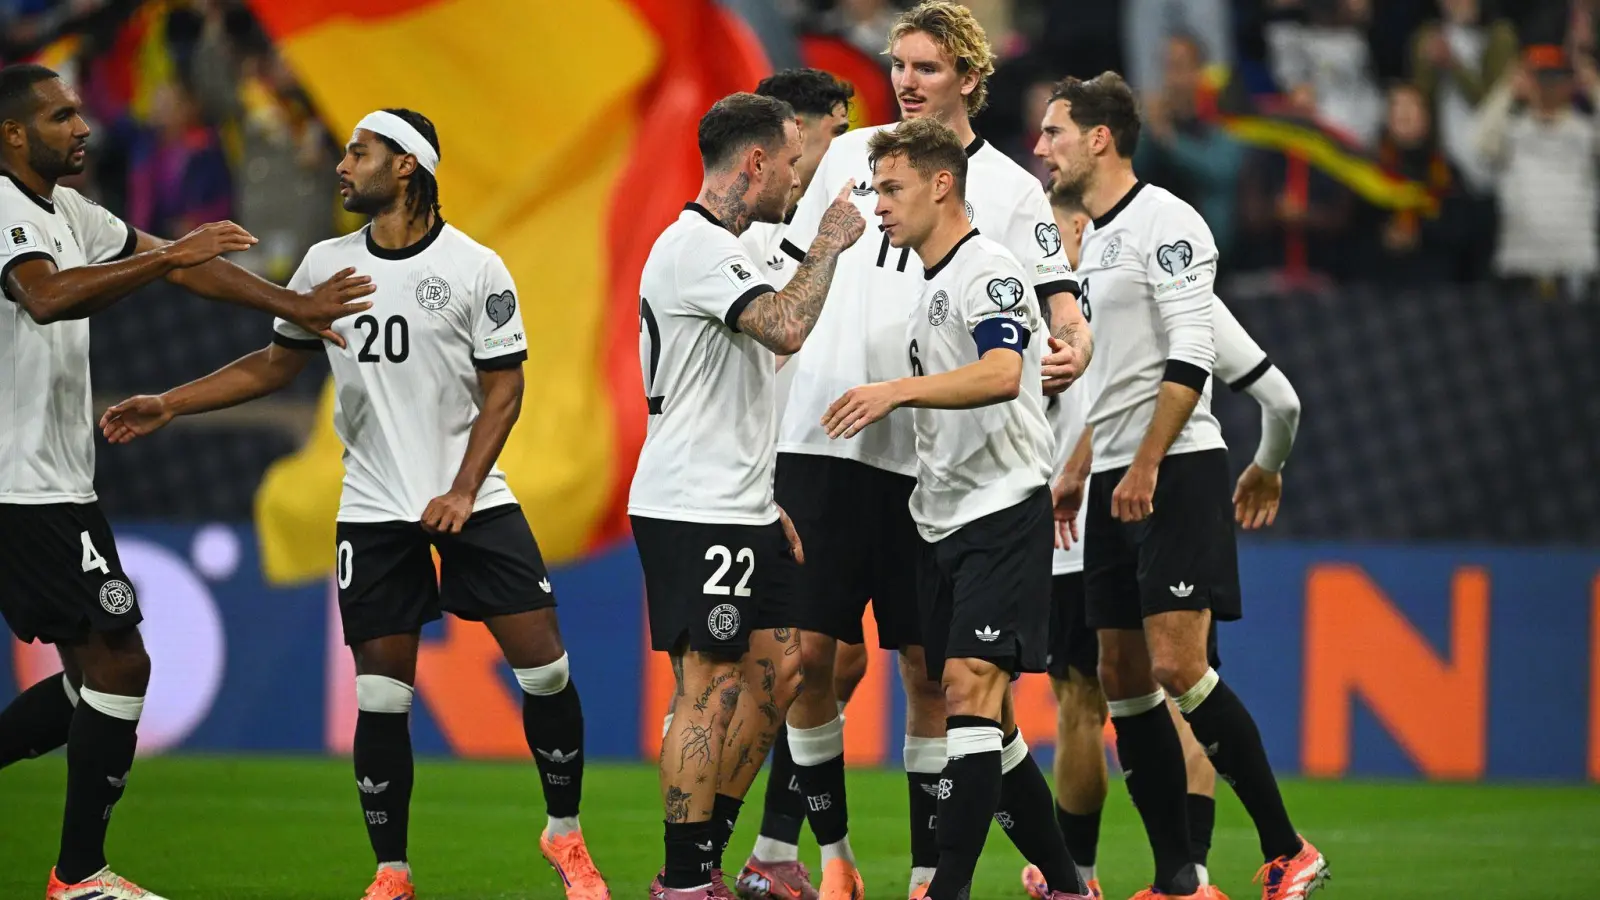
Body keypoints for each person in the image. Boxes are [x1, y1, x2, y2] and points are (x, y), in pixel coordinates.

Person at [99, 108, 608, 900]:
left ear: (406, 166)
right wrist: (171, 401)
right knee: (382, 697)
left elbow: (505, 388)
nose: (341, 165)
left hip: (472, 498)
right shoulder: (323, 266)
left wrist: (463, 488)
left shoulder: (476, 268)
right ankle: (392, 874)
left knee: (546, 672)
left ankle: (564, 834)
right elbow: (275, 366)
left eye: (358, 152)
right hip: (373, 508)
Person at [0, 62, 370, 900]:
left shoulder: (67, 211)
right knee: (122, 665)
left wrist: (293, 305)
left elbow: (183, 266)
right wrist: (170, 255)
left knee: (87, 680)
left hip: (58, 484)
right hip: (21, 489)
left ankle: (80, 875)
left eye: (81, 112)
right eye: (61, 116)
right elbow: (48, 298)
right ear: (14, 134)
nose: (82, 127)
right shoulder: (2, 209)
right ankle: (80, 876)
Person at [775, 5, 1090, 896]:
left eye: (927, 65)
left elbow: (1043, 319)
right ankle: (833, 860)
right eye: (899, 64)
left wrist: (1070, 339)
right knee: (823, 661)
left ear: (969, 77)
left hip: (942, 469)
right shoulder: (853, 156)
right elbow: (792, 262)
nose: (907, 79)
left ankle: (933, 876)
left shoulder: (1004, 209)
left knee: (945, 677)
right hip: (836, 443)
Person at [1035, 71, 1329, 900]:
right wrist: (1084, 464)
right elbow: (1132, 375)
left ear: (1099, 138)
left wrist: (1149, 463)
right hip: (1115, 480)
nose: (1041, 145)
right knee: (1121, 679)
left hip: (1175, 470)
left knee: (1176, 666)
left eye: (1054, 131)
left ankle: (1286, 847)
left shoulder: (1169, 223)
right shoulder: (1091, 244)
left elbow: (1192, 360)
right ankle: (1178, 880)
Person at [630, 92, 865, 900]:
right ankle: (687, 882)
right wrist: (831, 244)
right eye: (794, 161)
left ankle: (708, 857)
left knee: (779, 671)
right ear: (755, 162)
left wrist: (765, 499)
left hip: (738, 502)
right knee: (712, 687)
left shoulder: (734, 248)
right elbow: (787, 326)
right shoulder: (696, 246)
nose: (799, 178)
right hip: (693, 503)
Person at [727, 67, 854, 900]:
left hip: (857, 453)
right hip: (793, 456)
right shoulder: (757, 221)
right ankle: (717, 849)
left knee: (838, 667)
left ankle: (773, 849)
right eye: (830, 131)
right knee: (791, 664)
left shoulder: (852, 199)